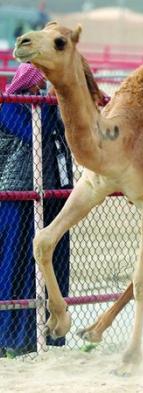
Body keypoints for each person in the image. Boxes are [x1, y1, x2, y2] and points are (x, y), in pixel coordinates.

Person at [0, 63, 73, 356]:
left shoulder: (47, 107)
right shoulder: (9, 106)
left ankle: (49, 334)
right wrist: (52, 103)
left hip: (53, 197)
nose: (41, 89)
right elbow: (34, 134)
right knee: (15, 263)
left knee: (51, 265)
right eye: (39, 84)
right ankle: (12, 338)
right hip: (18, 198)